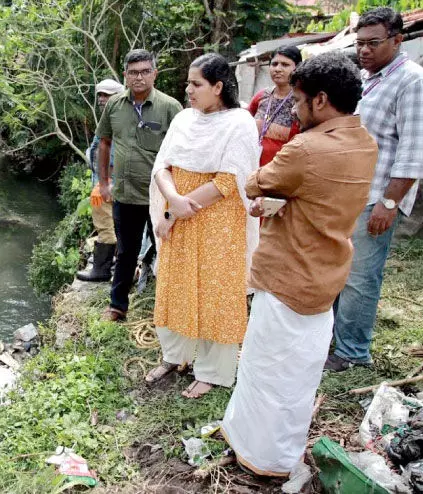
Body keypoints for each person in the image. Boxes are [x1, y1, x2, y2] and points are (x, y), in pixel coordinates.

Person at [222, 52, 377, 476]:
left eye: (299, 100)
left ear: (321, 100)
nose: (293, 108)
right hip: (325, 277)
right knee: (298, 374)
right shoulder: (364, 142)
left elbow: (257, 180)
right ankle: (279, 451)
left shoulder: (306, 148)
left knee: (266, 369)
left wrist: (273, 195)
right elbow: (316, 198)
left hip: (288, 275)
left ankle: (260, 457)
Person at [144, 53, 259, 399]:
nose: (188, 89)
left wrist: (177, 209)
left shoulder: (240, 123)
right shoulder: (182, 120)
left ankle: (212, 372)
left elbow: (227, 182)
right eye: (188, 83)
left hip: (217, 226)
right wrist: (172, 203)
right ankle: (173, 356)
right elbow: (162, 166)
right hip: (177, 218)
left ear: (218, 87)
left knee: (215, 294)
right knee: (174, 286)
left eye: (196, 84)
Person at [327, 7, 423, 372]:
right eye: (360, 43)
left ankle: (352, 352)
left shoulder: (411, 80)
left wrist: (389, 201)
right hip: (347, 195)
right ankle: (335, 341)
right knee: (338, 271)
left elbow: (414, 149)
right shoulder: (368, 79)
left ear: (398, 40)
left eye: (373, 43)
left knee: (361, 278)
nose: (364, 50)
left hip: (375, 198)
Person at [96, 49, 183, 320]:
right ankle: (117, 306)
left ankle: (171, 306)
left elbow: (182, 152)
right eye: (133, 72)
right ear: (125, 75)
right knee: (126, 252)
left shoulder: (171, 107)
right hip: (125, 194)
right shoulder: (114, 105)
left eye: (145, 71)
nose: (139, 77)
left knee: (166, 249)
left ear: (155, 73)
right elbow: (105, 142)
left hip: (161, 195)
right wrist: (104, 183)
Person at [78, 78, 125, 282]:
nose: (102, 99)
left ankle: (101, 271)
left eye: (107, 95)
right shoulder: (110, 119)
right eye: (100, 95)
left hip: (107, 186)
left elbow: (114, 157)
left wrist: (107, 183)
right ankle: (113, 264)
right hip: (105, 183)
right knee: (113, 225)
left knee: (106, 226)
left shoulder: (117, 121)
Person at [248, 46, 303, 166]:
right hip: (253, 168)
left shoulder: (301, 101)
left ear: (297, 68)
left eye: (285, 64)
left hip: (283, 171)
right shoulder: (261, 96)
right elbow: (244, 124)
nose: (278, 69)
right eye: (274, 64)